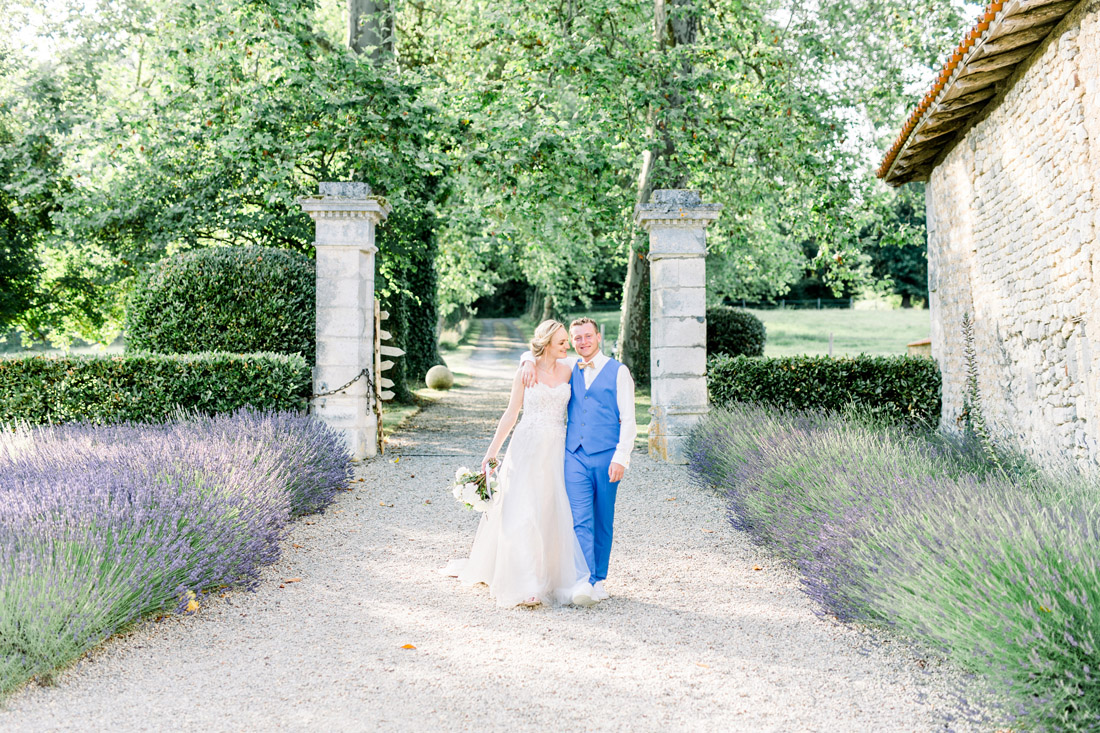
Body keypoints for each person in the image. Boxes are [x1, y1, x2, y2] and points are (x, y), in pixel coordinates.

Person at [443, 320, 590, 608]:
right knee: (521, 512)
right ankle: (526, 585)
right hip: (525, 448)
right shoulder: (526, 371)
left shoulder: (570, 368)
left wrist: (526, 357)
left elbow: (592, 368)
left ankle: (547, 576)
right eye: (561, 342)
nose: (567, 346)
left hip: (555, 450)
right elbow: (511, 414)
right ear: (547, 343)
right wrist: (491, 453)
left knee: (548, 512)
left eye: (566, 342)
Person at [520, 317, 636, 606]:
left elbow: (630, 419)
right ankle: (584, 581)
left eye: (587, 336)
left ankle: (600, 578)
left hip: (607, 456)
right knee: (579, 519)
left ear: (598, 336)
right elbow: (538, 355)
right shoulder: (569, 366)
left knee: (603, 518)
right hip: (574, 455)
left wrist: (622, 456)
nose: (582, 342)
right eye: (577, 338)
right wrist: (526, 362)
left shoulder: (619, 372)